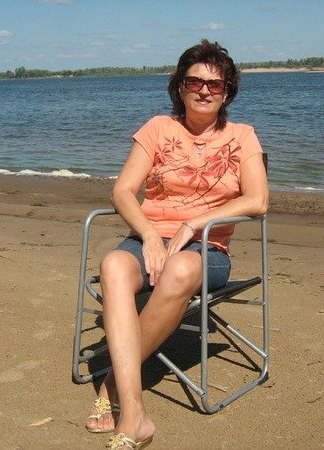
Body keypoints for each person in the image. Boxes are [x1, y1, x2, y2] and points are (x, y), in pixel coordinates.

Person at [85, 39, 269, 450]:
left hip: (206, 249)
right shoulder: (157, 128)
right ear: (180, 87)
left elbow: (257, 201)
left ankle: (113, 382)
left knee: (181, 267)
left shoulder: (243, 136)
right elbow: (122, 192)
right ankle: (135, 412)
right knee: (113, 263)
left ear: (227, 92)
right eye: (194, 81)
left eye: (215, 84)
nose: (204, 91)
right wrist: (150, 235)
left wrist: (192, 224)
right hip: (148, 239)